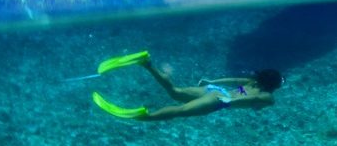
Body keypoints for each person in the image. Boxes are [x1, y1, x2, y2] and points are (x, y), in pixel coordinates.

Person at [92, 52, 283, 121]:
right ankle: (145, 117)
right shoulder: (269, 98)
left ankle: (147, 64)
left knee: (175, 91)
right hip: (220, 100)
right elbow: (253, 99)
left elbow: (232, 80)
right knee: (180, 111)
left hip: (216, 91)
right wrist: (228, 101)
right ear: (273, 85)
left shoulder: (252, 82)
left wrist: (212, 82)